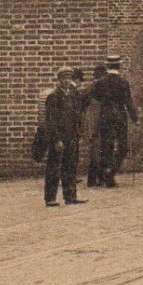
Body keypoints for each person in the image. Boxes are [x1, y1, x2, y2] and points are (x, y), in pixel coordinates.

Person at [36, 68, 88, 207]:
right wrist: (56, 139)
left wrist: (78, 131)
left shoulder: (74, 95)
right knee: (54, 167)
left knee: (70, 166)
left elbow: (78, 114)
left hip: (72, 135)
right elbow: (51, 120)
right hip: (59, 137)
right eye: (63, 79)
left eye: (69, 78)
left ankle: (70, 196)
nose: (66, 81)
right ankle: (50, 198)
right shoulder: (54, 96)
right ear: (59, 80)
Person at [91, 54, 139, 187]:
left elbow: (95, 98)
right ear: (119, 66)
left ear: (107, 66)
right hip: (120, 117)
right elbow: (128, 102)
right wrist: (135, 118)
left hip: (105, 117)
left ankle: (104, 175)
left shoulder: (100, 83)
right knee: (123, 147)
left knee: (106, 147)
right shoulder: (123, 82)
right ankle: (110, 173)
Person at [82, 63, 106, 188]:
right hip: (95, 123)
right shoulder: (94, 88)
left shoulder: (90, 88)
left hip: (94, 123)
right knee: (96, 151)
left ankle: (96, 179)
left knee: (96, 151)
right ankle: (95, 179)